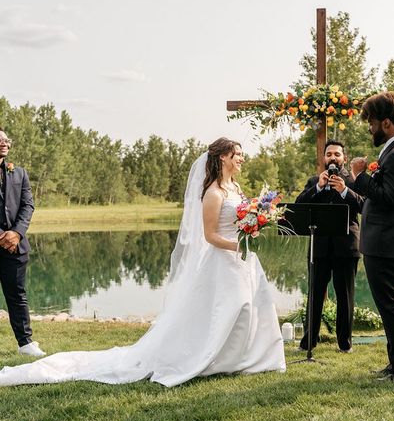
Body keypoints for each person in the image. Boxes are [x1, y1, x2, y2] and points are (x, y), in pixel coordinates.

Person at [0, 137, 286, 387]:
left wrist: (255, 227)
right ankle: (213, 357)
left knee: (250, 306)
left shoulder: (235, 188)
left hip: (243, 258)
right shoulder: (213, 193)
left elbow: (241, 220)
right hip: (224, 259)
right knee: (230, 307)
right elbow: (210, 235)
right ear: (223, 157)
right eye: (237, 154)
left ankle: (247, 356)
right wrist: (239, 244)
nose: (242, 159)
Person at [350, 91, 394, 382]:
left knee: (392, 306)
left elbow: (388, 197)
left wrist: (359, 176)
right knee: (387, 306)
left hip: (388, 241)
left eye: (373, 122)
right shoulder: (393, 151)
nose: (370, 128)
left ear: (388, 123)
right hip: (382, 241)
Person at [295, 140, 363, 353]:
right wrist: (318, 188)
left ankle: (345, 344)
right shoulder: (315, 181)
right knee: (314, 295)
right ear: (324, 158)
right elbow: (298, 206)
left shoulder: (353, 181)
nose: (333, 158)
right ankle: (309, 341)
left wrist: (344, 191)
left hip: (346, 248)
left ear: (343, 157)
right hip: (319, 248)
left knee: (345, 297)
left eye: (337, 154)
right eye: (329, 154)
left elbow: (364, 205)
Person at [0, 128, 45, 358]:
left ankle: (25, 343)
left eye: (6, 139)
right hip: (2, 240)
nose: (4, 143)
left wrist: (16, 233)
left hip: (15, 247)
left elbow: (28, 206)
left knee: (17, 294)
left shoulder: (19, 173)